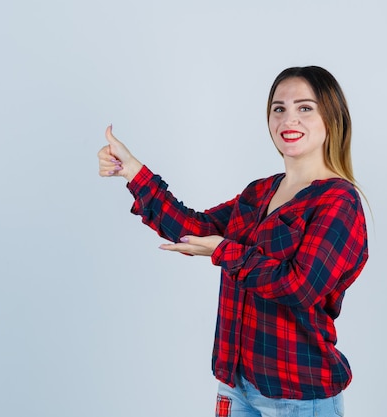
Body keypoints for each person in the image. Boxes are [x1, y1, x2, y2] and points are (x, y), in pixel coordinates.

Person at [97, 66, 368, 417]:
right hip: (237, 388)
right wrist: (133, 171)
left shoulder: (338, 202)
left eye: (305, 108)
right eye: (279, 108)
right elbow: (193, 227)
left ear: (331, 117)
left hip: (299, 399)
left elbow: (299, 287)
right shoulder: (259, 192)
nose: (289, 119)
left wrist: (224, 251)